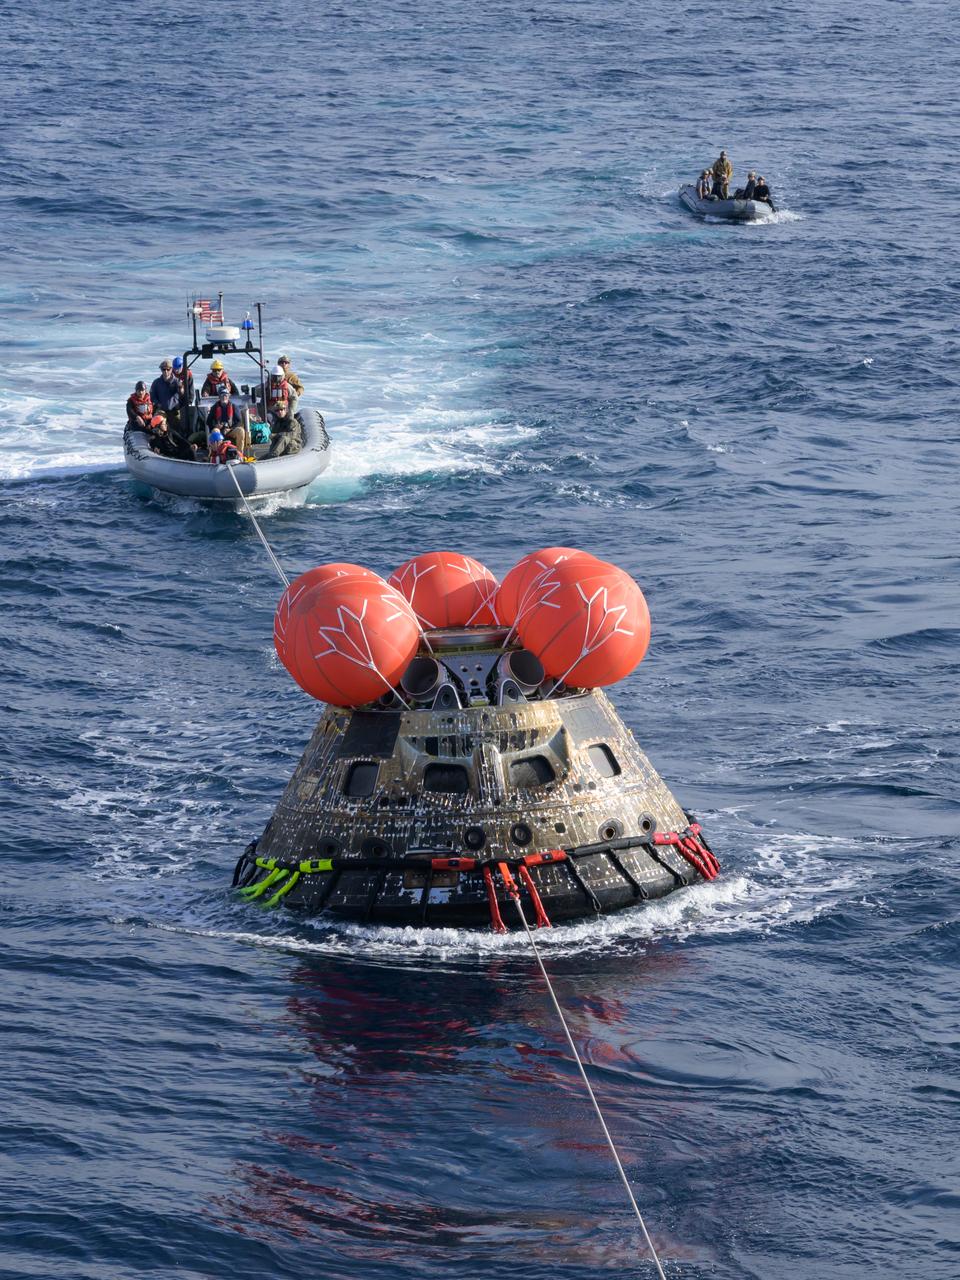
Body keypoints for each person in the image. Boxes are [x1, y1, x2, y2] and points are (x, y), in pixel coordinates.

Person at [261, 365, 302, 459]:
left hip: (292, 446)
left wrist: (291, 410)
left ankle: (272, 456)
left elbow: (289, 435)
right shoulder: (268, 386)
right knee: (269, 421)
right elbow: (258, 391)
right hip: (271, 411)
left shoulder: (292, 422)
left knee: (284, 437)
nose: (276, 378)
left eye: (278, 376)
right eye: (275, 376)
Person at [206, 387, 251, 457]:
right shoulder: (214, 407)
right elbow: (208, 422)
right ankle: (217, 455)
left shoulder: (234, 407)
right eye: (222, 395)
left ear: (228, 396)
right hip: (219, 430)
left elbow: (239, 421)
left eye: (226, 395)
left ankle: (239, 454)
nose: (224, 397)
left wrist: (231, 428)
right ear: (219, 396)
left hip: (230, 430)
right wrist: (215, 426)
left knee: (241, 431)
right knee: (215, 431)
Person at [150, 359, 183, 430]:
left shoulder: (177, 381)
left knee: (180, 426)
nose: (166, 371)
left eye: (168, 369)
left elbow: (182, 394)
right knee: (158, 424)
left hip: (175, 411)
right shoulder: (156, 382)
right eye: (163, 369)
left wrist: (180, 387)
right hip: (162, 410)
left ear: (171, 369)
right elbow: (152, 396)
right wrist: (158, 403)